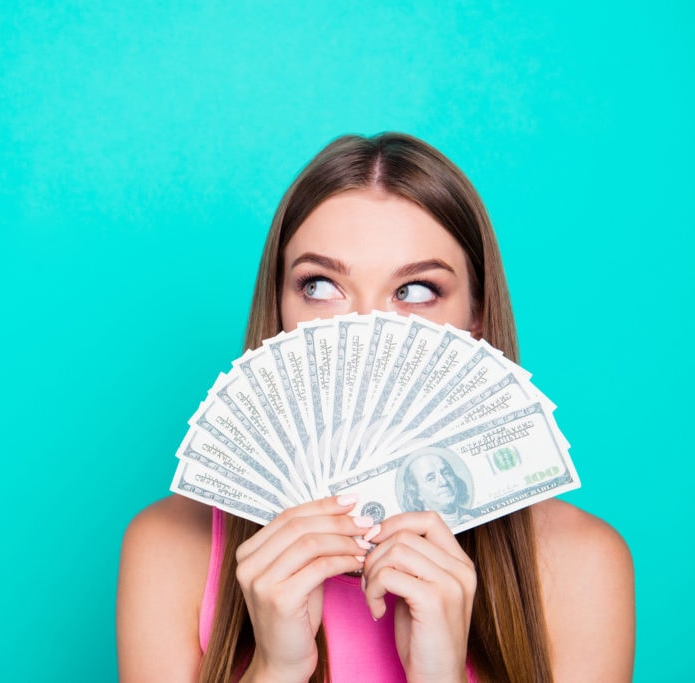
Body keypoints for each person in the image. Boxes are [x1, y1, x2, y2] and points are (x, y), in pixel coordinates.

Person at [116, 133, 634, 682]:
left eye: (414, 290)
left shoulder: (580, 565)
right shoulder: (171, 549)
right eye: (319, 285)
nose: (364, 330)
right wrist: (276, 668)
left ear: (476, 318)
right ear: (278, 307)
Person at [399, 447, 474, 527]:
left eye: (446, 473)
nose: (444, 482)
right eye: (431, 478)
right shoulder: (418, 529)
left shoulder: (473, 515)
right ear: (417, 493)